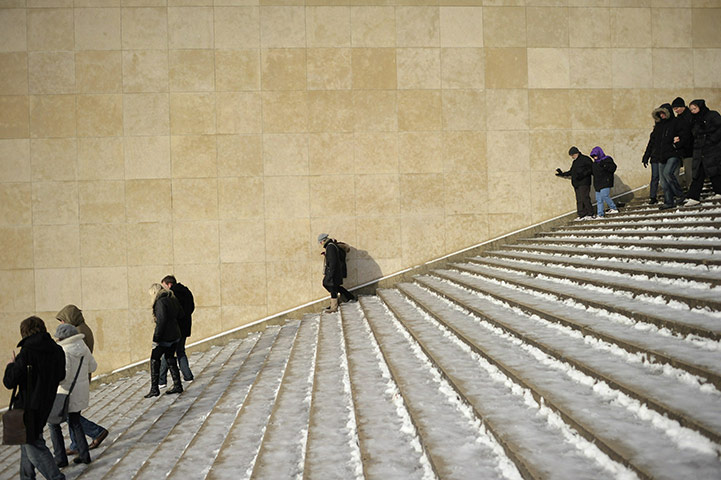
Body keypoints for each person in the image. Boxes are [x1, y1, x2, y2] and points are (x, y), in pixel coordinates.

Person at [3, 316, 66, 480]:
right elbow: (61, 375)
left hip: (27, 404)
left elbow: (10, 381)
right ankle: (26, 477)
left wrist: (11, 364)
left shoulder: (27, 352)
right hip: (46, 402)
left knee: (33, 443)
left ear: (24, 332)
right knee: (27, 439)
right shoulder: (56, 349)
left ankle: (56, 477)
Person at [55, 305, 108, 455]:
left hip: (72, 380)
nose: (61, 324)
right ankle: (75, 444)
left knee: (68, 413)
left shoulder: (77, 334)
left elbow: (70, 363)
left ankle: (96, 432)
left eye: (63, 320)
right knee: (73, 413)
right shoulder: (84, 329)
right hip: (80, 379)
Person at [48, 324, 96, 467]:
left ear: (63, 338)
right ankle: (84, 454)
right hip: (80, 393)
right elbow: (93, 366)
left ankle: (60, 458)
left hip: (65, 394)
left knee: (53, 424)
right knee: (75, 423)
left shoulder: (64, 350)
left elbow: (64, 376)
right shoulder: (83, 347)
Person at [642, 103, 685, 209]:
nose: (661, 115)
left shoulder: (676, 122)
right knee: (663, 181)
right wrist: (646, 156)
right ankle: (669, 201)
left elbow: (683, 135)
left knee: (668, 173)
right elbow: (652, 143)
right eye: (660, 113)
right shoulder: (658, 127)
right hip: (661, 156)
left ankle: (680, 194)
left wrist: (677, 143)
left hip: (672, 153)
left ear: (668, 112)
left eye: (663, 113)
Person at [144, 283, 183, 398]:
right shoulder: (172, 298)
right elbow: (181, 314)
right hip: (175, 334)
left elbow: (161, 322)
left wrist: (156, 339)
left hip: (165, 337)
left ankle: (154, 388)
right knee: (170, 358)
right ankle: (178, 385)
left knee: (155, 359)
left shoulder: (160, 302)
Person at [683, 99, 721, 206]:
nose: (693, 111)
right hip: (700, 150)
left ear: (700, 107)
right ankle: (693, 196)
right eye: (691, 109)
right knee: (698, 173)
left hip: (713, 149)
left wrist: (711, 140)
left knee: (714, 171)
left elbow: (719, 129)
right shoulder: (694, 120)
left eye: (695, 108)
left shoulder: (712, 115)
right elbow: (693, 134)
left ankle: (719, 191)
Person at [158, 276, 194, 386]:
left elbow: (171, 313)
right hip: (185, 327)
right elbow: (191, 308)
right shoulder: (186, 291)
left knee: (166, 353)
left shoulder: (172, 295)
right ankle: (188, 376)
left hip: (174, 329)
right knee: (180, 351)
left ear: (169, 284)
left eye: (164, 285)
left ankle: (161, 380)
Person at [318, 233, 356, 313]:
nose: (320, 244)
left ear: (324, 240)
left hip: (334, 271)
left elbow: (333, 262)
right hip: (335, 271)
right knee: (334, 287)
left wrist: (330, 274)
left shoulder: (330, 247)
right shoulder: (331, 246)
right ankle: (348, 297)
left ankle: (334, 307)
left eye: (320, 242)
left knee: (329, 286)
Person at [556, 146, 594, 220]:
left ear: (576, 153)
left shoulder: (585, 159)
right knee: (579, 199)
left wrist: (582, 175)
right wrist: (562, 173)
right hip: (576, 184)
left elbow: (591, 169)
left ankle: (590, 213)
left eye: (572, 155)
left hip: (584, 182)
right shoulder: (575, 162)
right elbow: (572, 172)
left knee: (585, 198)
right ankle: (581, 214)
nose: (572, 157)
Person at [671, 97, 694, 191]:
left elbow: (688, 134)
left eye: (677, 108)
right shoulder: (678, 118)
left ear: (682, 106)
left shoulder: (689, 116)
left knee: (690, 172)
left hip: (689, 148)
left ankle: (691, 190)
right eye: (674, 109)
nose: (676, 110)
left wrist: (679, 141)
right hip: (681, 149)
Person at [590, 146, 619, 218]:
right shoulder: (594, 164)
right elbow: (593, 173)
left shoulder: (607, 160)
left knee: (605, 195)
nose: (594, 157)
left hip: (606, 181)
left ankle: (614, 208)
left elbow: (613, 168)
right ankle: (600, 214)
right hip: (597, 184)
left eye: (596, 155)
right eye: (593, 156)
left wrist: (604, 165)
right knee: (599, 200)